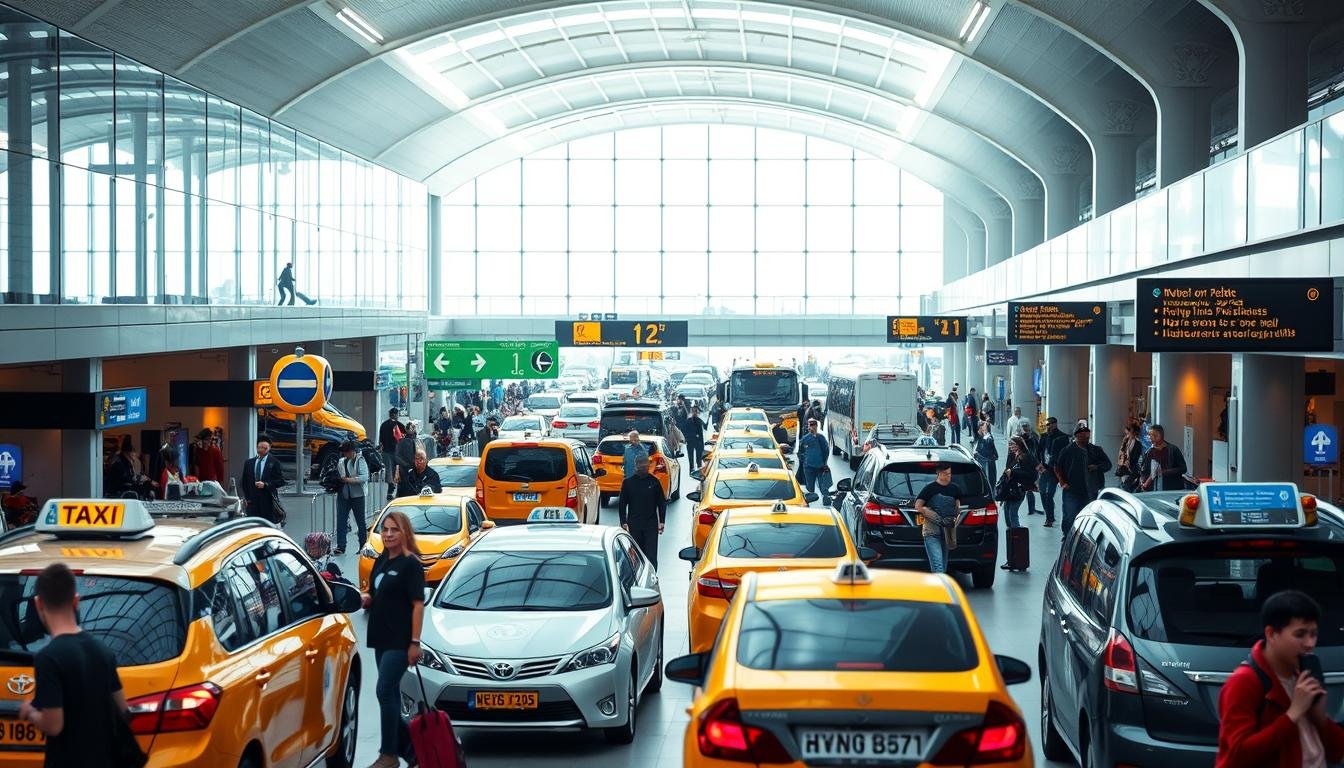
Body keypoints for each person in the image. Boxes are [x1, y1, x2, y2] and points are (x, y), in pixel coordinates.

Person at [18, 563, 137, 768]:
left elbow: (53, 725)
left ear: (38, 604)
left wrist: (30, 712)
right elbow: (123, 710)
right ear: (76, 601)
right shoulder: (103, 650)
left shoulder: (48, 658)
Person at [1215, 590, 1344, 768]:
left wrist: (1320, 717)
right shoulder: (1244, 682)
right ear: (1271, 634)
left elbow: (1337, 751)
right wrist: (1293, 713)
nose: (1310, 643)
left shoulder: (1302, 675)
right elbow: (1238, 756)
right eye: (1300, 634)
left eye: (1313, 634)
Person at [361, 511, 424, 768]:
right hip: (380, 637)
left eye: (393, 530)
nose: (387, 534)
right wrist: (365, 598)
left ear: (404, 532)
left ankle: (388, 755)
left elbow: (418, 605)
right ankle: (413, 751)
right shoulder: (383, 559)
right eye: (384, 530)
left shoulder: (411, 564)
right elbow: (374, 593)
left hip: (400, 640)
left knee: (384, 690)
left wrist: (415, 642)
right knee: (391, 696)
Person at [1053, 420, 1111, 537]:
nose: (1086, 438)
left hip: (1091, 490)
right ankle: (1068, 536)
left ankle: (1084, 537)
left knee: (1088, 516)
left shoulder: (1095, 450)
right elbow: (1057, 467)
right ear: (1076, 436)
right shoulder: (1067, 451)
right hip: (1072, 490)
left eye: (1087, 435)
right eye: (1082, 435)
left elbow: (1108, 464)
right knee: (1070, 515)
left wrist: (1097, 467)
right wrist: (1063, 482)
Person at [618, 454, 666, 568]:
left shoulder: (654, 482)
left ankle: (652, 576)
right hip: (634, 524)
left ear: (649, 466)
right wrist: (623, 522)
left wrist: (662, 521)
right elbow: (622, 504)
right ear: (635, 466)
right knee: (636, 554)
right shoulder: (628, 483)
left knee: (651, 555)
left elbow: (661, 503)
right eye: (640, 464)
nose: (643, 467)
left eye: (645, 464)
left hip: (651, 524)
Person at [913, 463, 961, 574]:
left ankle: (939, 587)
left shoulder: (955, 489)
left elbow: (957, 508)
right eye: (945, 474)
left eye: (949, 474)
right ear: (938, 473)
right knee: (938, 565)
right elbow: (918, 505)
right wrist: (930, 513)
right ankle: (941, 589)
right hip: (931, 531)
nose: (948, 476)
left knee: (943, 566)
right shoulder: (929, 489)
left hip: (948, 531)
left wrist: (954, 520)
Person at [240, 433, 287, 524]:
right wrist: (247, 497)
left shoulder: (274, 462)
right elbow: (244, 481)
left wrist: (266, 485)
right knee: (252, 525)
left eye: (265, 448)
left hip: (267, 501)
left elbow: (281, 481)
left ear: (269, 448)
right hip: (252, 502)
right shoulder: (249, 463)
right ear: (257, 447)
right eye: (260, 447)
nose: (262, 449)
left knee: (267, 526)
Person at [997, 436, 1037, 541]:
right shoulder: (1011, 455)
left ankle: (1017, 537)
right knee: (1007, 513)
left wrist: (1013, 473)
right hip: (1008, 488)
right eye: (1009, 444)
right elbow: (1007, 469)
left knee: (1012, 513)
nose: (1010, 446)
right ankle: (1011, 534)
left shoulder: (1025, 457)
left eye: (1012, 444)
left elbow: (1030, 474)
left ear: (1019, 445)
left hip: (1018, 489)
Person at [334, 441, 368, 555]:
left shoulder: (360, 460)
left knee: (361, 522)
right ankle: (341, 546)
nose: (345, 454)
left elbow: (364, 477)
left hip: (357, 494)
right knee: (341, 520)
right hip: (344, 494)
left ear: (352, 451)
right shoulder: (342, 461)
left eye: (346, 452)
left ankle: (363, 545)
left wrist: (349, 480)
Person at [1037, 416, 1069, 528]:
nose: (1048, 426)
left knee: (1049, 493)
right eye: (1047, 424)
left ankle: (1049, 519)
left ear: (1055, 424)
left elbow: (1064, 456)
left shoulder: (1062, 437)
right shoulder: (1044, 436)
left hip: (1055, 470)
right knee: (1042, 491)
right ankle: (1049, 512)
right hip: (1045, 469)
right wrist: (1040, 464)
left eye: (1050, 424)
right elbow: (1039, 451)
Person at [1139, 424, 1188, 491]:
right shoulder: (1149, 452)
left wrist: (1165, 471)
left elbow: (1183, 468)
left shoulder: (1173, 450)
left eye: (1150, 435)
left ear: (1158, 436)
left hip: (1172, 489)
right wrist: (1143, 481)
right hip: (1153, 491)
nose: (1149, 437)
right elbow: (1144, 471)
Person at [798, 418, 831, 504]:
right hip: (809, 467)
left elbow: (826, 451)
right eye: (810, 425)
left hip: (820, 466)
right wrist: (804, 460)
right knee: (810, 487)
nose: (812, 427)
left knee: (823, 485)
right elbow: (800, 450)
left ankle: (826, 498)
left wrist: (824, 463)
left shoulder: (821, 438)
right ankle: (810, 501)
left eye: (813, 425)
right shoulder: (805, 438)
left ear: (816, 426)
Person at [378, 408, 403, 501]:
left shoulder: (383, 425)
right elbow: (401, 436)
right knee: (396, 471)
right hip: (395, 451)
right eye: (397, 415)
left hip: (385, 451)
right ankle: (394, 491)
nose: (397, 416)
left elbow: (380, 439)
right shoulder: (396, 425)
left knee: (389, 472)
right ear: (394, 415)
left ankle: (390, 492)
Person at [1116, 423, 1144, 493]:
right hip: (1123, 469)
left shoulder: (1138, 443)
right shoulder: (1125, 441)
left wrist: (1129, 462)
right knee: (1123, 486)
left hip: (1131, 470)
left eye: (1128, 432)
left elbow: (1137, 457)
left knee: (1127, 487)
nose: (1127, 434)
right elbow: (1120, 454)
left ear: (1133, 432)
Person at [394, 420, 421, 492]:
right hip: (408, 470)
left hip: (405, 470)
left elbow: (397, 457)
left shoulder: (402, 442)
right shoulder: (413, 442)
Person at [684, 404, 707, 469]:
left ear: (697, 412)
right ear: (691, 412)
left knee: (698, 458)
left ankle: (699, 469)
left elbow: (702, 433)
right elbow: (685, 431)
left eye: (695, 411)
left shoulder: (699, 421)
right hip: (690, 441)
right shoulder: (688, 421)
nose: (694, 413)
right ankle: (692, 470)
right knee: (690, 458)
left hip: (698, 442)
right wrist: (686, 439)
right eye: (693, 411)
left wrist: (702, 445)